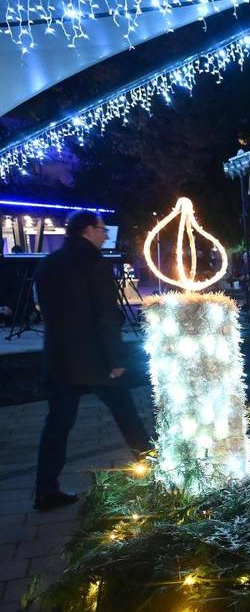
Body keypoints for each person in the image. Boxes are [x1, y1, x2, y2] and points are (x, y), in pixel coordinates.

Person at [33, 210, 151, 511]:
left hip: (61, 358)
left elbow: (47, 311)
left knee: (57, 425)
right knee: (127, 414)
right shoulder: (95, 264)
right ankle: (156, 467)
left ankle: (45, 490)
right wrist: (116, 359)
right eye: (102, 229)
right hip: (96, 360)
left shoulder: (49, 263)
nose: (105, 234)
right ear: (87, 230)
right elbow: (105, 317)